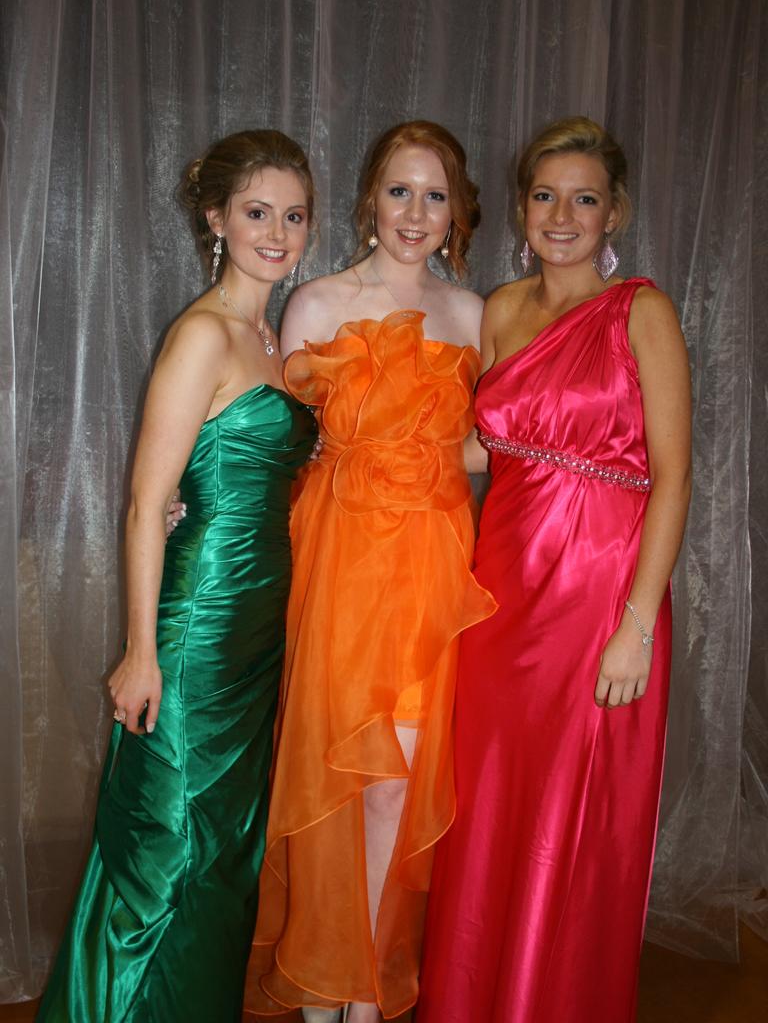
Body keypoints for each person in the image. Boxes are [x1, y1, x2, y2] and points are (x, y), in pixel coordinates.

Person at [36, 130, 317, 1023]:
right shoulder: (203, 335)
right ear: (216, 221)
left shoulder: (272, 337)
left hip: (256, 636)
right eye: (257, 212)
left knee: (222, 854)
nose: (278, 232)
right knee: (165, 851)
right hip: (194, 630)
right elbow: (142, 504)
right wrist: (141, 655)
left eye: (295, 215)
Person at [417, 116, 692, 1023]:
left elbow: (674, 476)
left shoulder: (642, 311)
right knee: (491, 812)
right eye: (545, 195)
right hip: (501, 599)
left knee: (571, 829)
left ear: (614, 212)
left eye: (584, 198)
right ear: (523, 209)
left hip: (598, 605)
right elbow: (471, 452)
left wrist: (637, 627)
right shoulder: (499, 309)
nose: (562, 214)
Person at [243, 122, 497, 1023]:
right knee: (331, 781)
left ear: (457, 211)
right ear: (369, 199)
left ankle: (363, 994)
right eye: (399, 190)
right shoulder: (314, 305)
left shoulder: (475, 318)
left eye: (434, 195)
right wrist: (181, 493)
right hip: (341, 561)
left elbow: (489, 448)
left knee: (397, 785)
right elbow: (261, 435)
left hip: (430, 566)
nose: (415, 213)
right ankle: (321, 990)